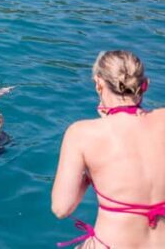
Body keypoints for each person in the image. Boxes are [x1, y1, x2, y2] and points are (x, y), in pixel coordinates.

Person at [52, 51, 165, 248]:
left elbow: (62, 208)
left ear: (99, 83)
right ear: (144, 84)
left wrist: (89, 175)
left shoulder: (82, 134)